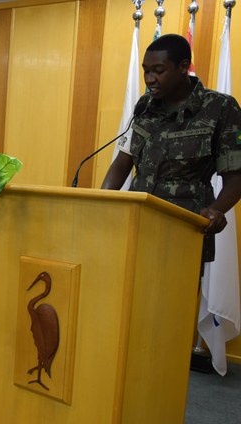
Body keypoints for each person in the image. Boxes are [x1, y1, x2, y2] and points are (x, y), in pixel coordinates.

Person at [101, 34, 241, 264]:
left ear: (183, 67)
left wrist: (215, 211)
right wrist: (101, 202)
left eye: (158, 71)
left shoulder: (220, 108)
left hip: (183, 229)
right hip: (136, 224)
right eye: (146, 71)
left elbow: (235, 177)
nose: (150, 79)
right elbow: (122, 161)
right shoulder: (145, 105)